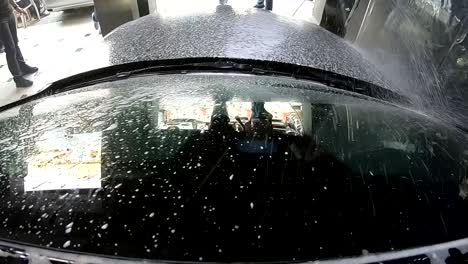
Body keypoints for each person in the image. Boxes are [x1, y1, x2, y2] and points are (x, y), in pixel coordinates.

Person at [0, 0, 38, 88]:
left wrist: (16, 7)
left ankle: (22, 67)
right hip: (1, 19)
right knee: (10, 49)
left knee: (15, 43)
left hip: (9, 13)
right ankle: (18, 79)